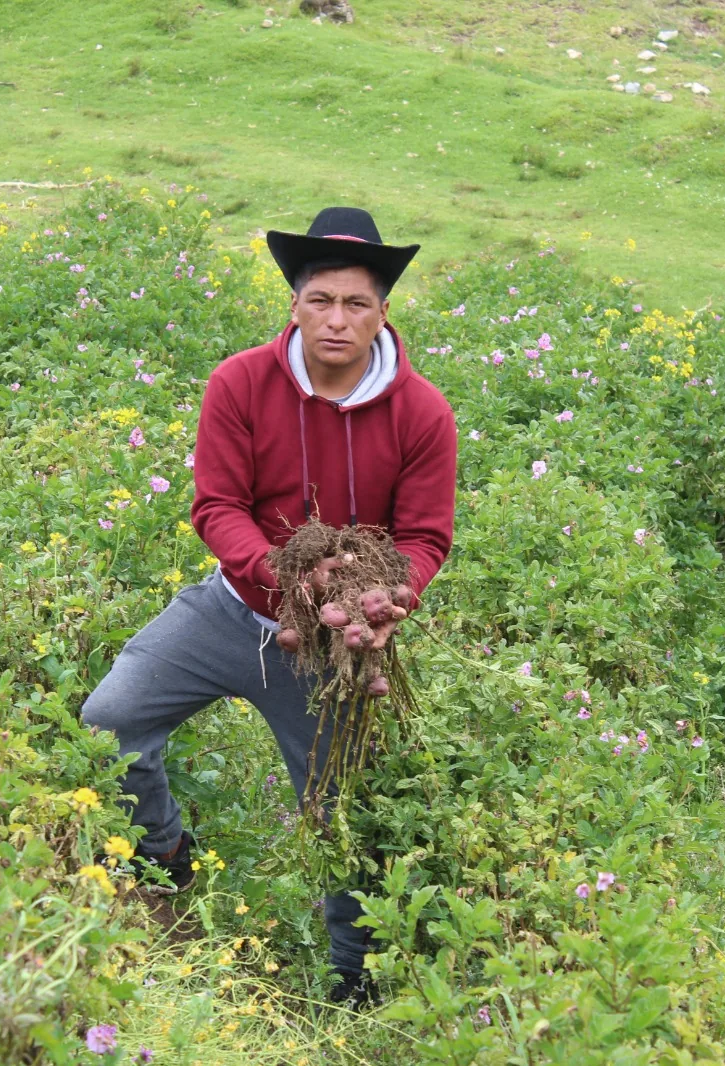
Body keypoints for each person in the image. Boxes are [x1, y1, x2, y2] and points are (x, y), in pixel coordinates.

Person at [81, 206, 458, 1008]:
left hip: (334, 649)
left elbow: (425, 535)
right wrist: (281, 573)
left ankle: (352, 984)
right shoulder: (241, 383)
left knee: (341, 821)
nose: (337, 319)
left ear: (382, 312)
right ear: (294, 303)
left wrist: (385, 599)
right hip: (231, 611)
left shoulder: (422, 412)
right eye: (321, 299)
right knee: (111, 720)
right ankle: (165, 855)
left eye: (356, 304)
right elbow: (217, 507)